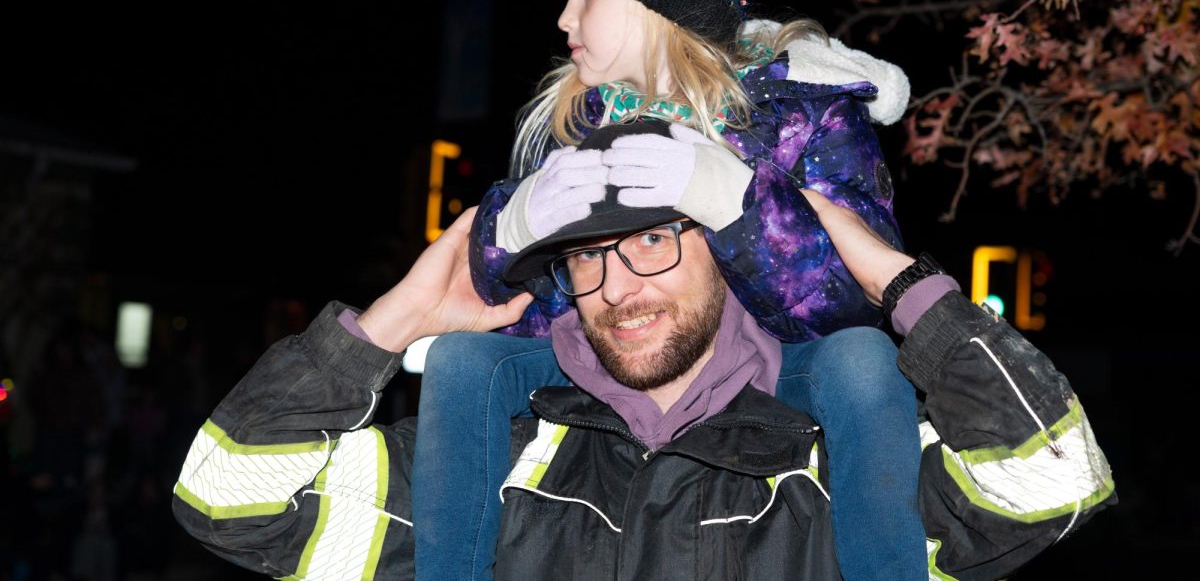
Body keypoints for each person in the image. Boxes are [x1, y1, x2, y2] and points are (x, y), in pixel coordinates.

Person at [171, 123, 1115, 580]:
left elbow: (1054, 478)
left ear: (724, 252)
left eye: (656, 240)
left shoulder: (840, 460)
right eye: (588, 255)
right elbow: (227, 499)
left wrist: (899, 287)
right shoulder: (495, 458)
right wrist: (391, 322)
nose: (620, 285)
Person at [419, 0, 918, 581]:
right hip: (619, 356)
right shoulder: (578, 119)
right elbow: (501, 300)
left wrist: (739, 205)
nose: (564, 16)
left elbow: (864, 294)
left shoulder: (803, 111)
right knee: (461, 362)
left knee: (861, 363)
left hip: (770, 366)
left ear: (660, 3)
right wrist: (508, 233)